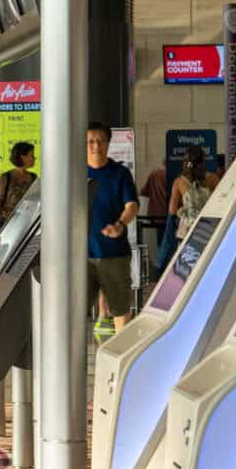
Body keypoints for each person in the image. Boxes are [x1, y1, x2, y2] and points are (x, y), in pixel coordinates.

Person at [87, 122, 138, 334]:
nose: (96, 146)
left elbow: (132, 205)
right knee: (73, 311)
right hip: (81, 256)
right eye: (90, 141)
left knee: (120, 309)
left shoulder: (120, 173)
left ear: (108, 144)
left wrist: (120, 224)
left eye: (100, 141)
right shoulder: (74, 173)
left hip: (114, 255)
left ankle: (121, 359)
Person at [168, 147, 212, 240]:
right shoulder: (213, 179)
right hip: (207, 229)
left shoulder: (179, 182)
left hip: (186, 231)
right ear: (203, 161)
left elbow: (172, 210)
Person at [0, 142, 37, 223]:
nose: (34, 158)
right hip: (8, 223)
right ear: (23, 157)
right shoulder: (6, 177)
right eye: (32, 155)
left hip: (27, 221)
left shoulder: (33, 177)